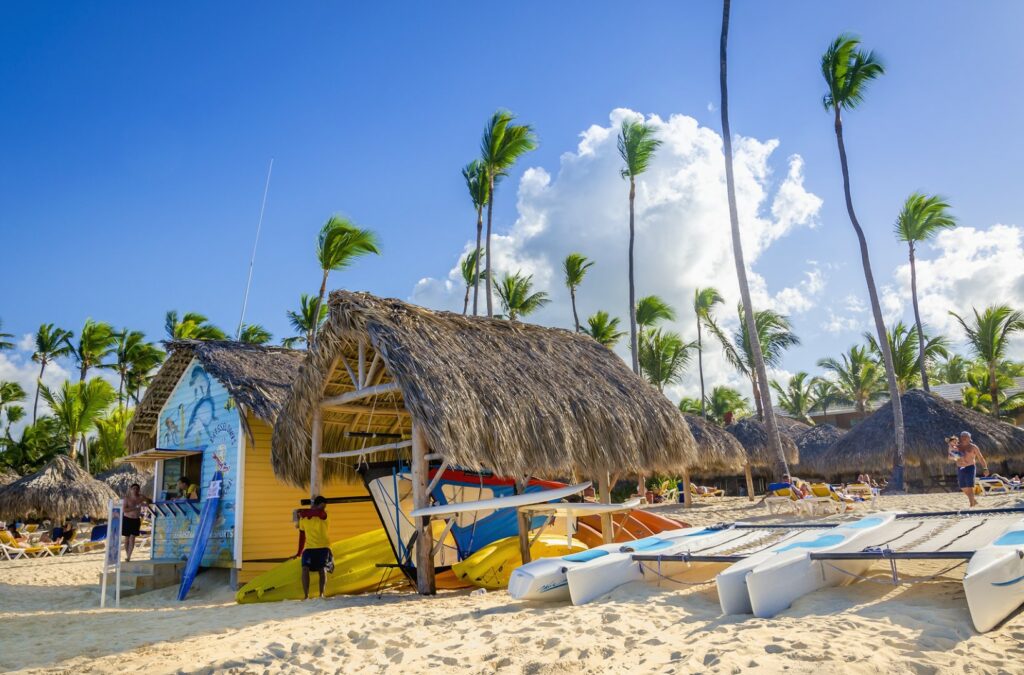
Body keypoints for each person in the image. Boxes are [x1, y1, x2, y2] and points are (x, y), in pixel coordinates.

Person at [295, 496, 333, 600]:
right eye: (322, 506)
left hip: (324, 547)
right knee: (304, 568)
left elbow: (319, 513)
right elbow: (302, 536)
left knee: (322, 569)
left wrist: (304, 512)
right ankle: (306, 595)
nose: (323, 509)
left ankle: (321, 594)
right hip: (309, 549)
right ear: (316, 505)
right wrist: (299, 552)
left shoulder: (325, 515)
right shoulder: (304, 519)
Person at [950, 431, 989, 507]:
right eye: (962, 436)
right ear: (960, 438)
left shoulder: (973, 447)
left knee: (969, 486)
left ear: (969, 438)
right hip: (960, 468)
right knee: (963, 487)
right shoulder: (957, 447)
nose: (964, 438)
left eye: (965, 436)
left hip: (970, 467)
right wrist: (953, 454)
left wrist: (985, 468)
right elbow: (951, 457)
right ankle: (974, 501)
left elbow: (981, 458)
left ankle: (972, 505)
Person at [123, 483, 150, 561]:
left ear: (139, 490)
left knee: (132, 538)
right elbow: (124, 510)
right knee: (127, 539)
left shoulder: (141, 497)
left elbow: (148, 501)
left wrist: (146, 501)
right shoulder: (127, 498)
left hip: (136, 519)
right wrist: (136, 507)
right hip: (127, 519)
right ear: (131, 490)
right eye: (133, 488)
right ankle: (127, 554)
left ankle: (128, 556)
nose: (135, 490)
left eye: (137, 489)